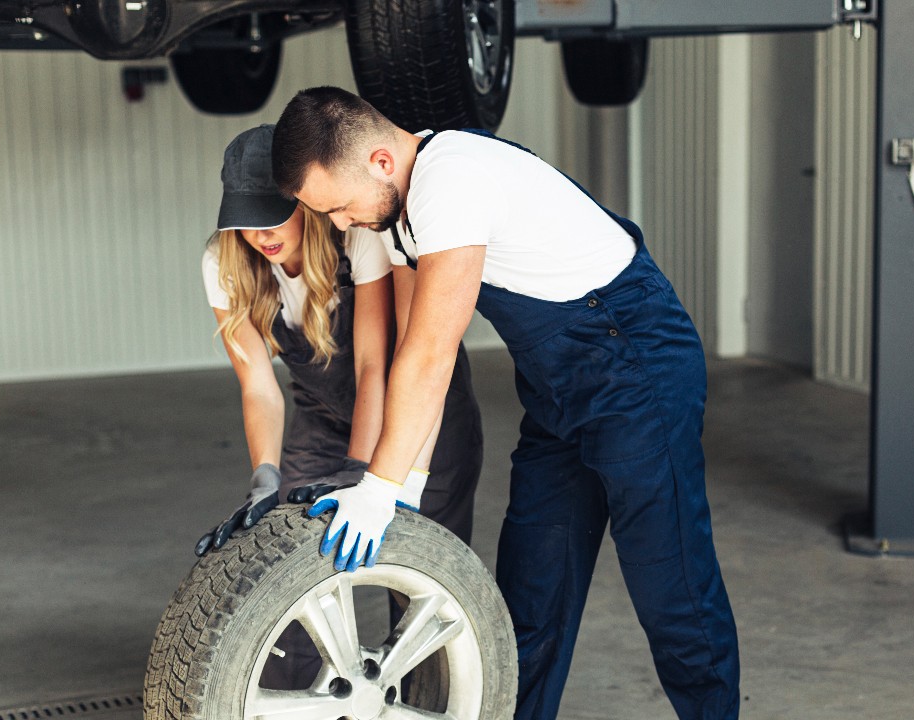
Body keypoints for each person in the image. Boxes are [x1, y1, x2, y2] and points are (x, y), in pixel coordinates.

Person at [271, 87, 740, 719]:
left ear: (380, 161)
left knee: (671, 585)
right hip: (558, 392)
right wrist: (400, 485)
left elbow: (433, 353)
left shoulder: (453, 179)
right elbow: (415, 357)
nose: (339, 224)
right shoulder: (397, 215)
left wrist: (378, 486)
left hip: (634, 365)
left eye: (339, 206)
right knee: (530, 591)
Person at [196, 124, 484, 683]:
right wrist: (265, 475)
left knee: (417, 577)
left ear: (303, 201)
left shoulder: (356, 240)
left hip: (418, 418)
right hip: (321, 421)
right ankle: (295, 704)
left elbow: (376, 364)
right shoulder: (223, 263)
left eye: (273, 215)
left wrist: (363, 475)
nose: (260, 235)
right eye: (245, 220)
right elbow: (258, 384)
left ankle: (424, 706)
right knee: (291, 560)